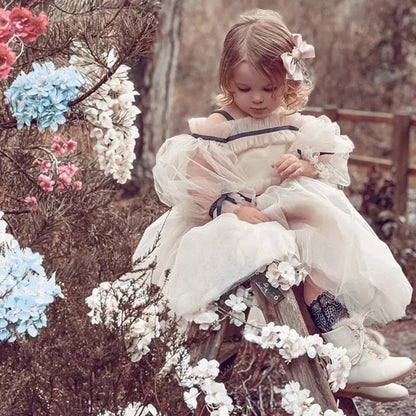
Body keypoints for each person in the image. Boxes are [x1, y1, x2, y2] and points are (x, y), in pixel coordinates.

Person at [132, 9, 414, 402]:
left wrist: (304, 164)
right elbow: (197, 185)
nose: (258, 99)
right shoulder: (219, 126)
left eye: (270, 88)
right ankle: (342, 364)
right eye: (245, 89)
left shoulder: (293, 123)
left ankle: (348, 358)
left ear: (288, 80)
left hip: (290, 220)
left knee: (323, 258)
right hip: (237, 224)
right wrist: (229, 209)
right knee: (274, 251)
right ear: (229, 80)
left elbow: (325, 162)